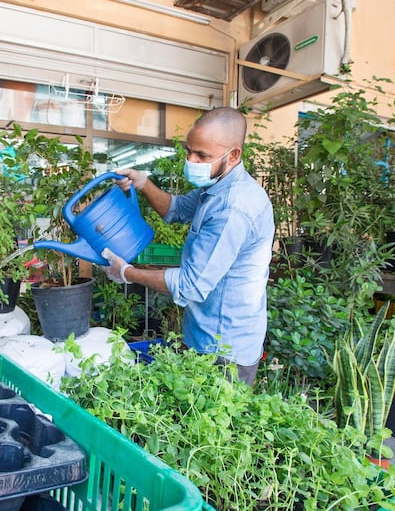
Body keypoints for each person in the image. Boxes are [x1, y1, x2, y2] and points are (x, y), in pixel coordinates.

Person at [101, 107, 274, 385]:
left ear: (233, 155)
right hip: (203, 333)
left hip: (223, 348)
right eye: (189, 151)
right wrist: (143, 183)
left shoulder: (233, 209)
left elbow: (191, 284)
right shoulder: (216, 188)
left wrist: (126, 273)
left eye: (202, 155)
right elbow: (176, 209)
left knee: (213, 423)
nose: (191, 160)